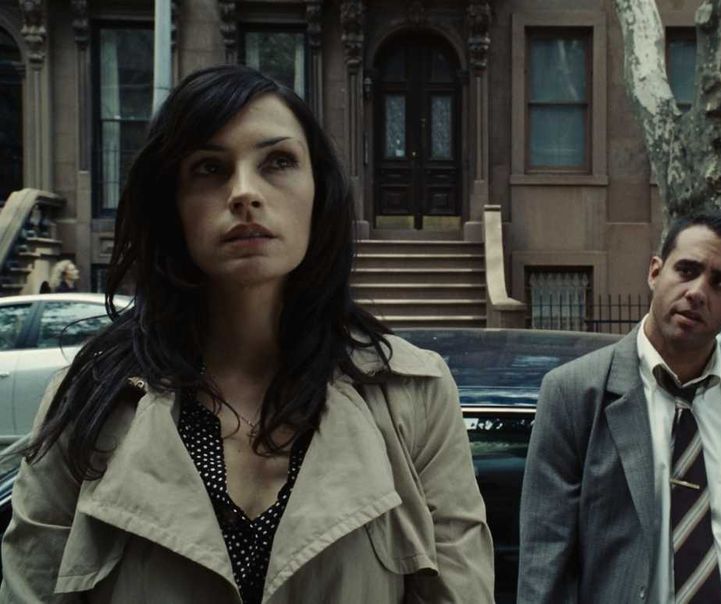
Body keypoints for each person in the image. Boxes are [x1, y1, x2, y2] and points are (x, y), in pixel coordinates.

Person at [0, 65, 494, 603]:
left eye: (278, 162)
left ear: (319, 191)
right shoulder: (89, 400)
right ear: (173, 205)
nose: (244, 193)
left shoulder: (415, 394)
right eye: (209, 168)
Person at [518, 210, 721, 603]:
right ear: (655, 272)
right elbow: (545, 559)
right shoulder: (573, 393)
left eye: (720, 283)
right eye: (686, 270)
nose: (698, 292)